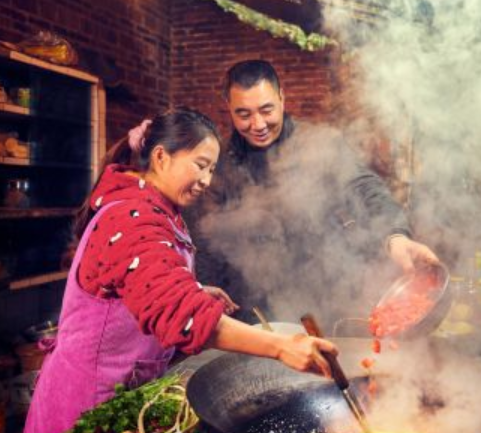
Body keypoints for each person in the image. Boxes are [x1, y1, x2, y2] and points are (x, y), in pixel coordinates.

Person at [19, 108, 337, 433]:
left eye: (212, 169)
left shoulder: (156, 208)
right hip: (86, 406)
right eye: (200, 164)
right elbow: (180, 313)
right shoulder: (131, 214)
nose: (206, 179)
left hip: (126, 396)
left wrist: (195, 290)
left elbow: (138, 283)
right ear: (160, 156)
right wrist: (280, 347)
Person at [129, 61, 440, 327]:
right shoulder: (218, 164)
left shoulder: (321, 144)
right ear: (229, 109)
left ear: (281, 97)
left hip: (325, 301)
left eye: (266, 110)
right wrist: (205, 298)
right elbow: (204, 239)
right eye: (244, 114)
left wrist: (395, 236)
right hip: (253, 314)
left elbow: (364, 187)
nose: (258, 124)